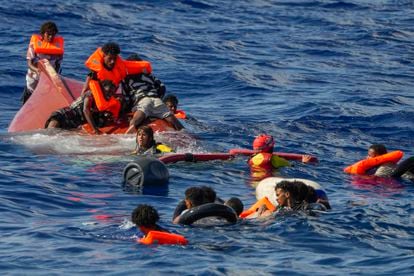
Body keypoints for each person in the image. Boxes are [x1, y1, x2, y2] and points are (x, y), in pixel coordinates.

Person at [122, 54, 184, 134]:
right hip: (156, 99)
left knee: (141, 112)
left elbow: (125, 94)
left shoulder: (126, 78)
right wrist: (159, 97)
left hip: (143, 99)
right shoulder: (149, 75)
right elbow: (162, 87)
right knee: (170, 116)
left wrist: (128, 108)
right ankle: (182, 130)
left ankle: (132, 125)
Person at [45, 79, 119, 134]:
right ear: (101, 90)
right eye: (108, 91)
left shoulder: (105, 102)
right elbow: (85, 110)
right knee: (50, 133)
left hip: (74, 123)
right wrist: (95, 129)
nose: (109, 94)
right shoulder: (90, 94)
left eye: (112, 93)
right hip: (64, 115)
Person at [22, 21, 64, 104]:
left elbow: (58, 65)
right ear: (43, 34)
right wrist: (38, 71)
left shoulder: (58, 48)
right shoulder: (34, 44)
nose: (51, 37)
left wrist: (54, 76)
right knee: (28, 101)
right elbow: (29, 64)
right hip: (34, 78)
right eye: (48, 34)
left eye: (53, 34)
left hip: (48, 80)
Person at [248, 134, 313, 180]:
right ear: (271, 146)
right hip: (268, 181)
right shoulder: (274, 159)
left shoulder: (251, 158)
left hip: (254, 182)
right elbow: (293, 166)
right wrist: (304, 163)